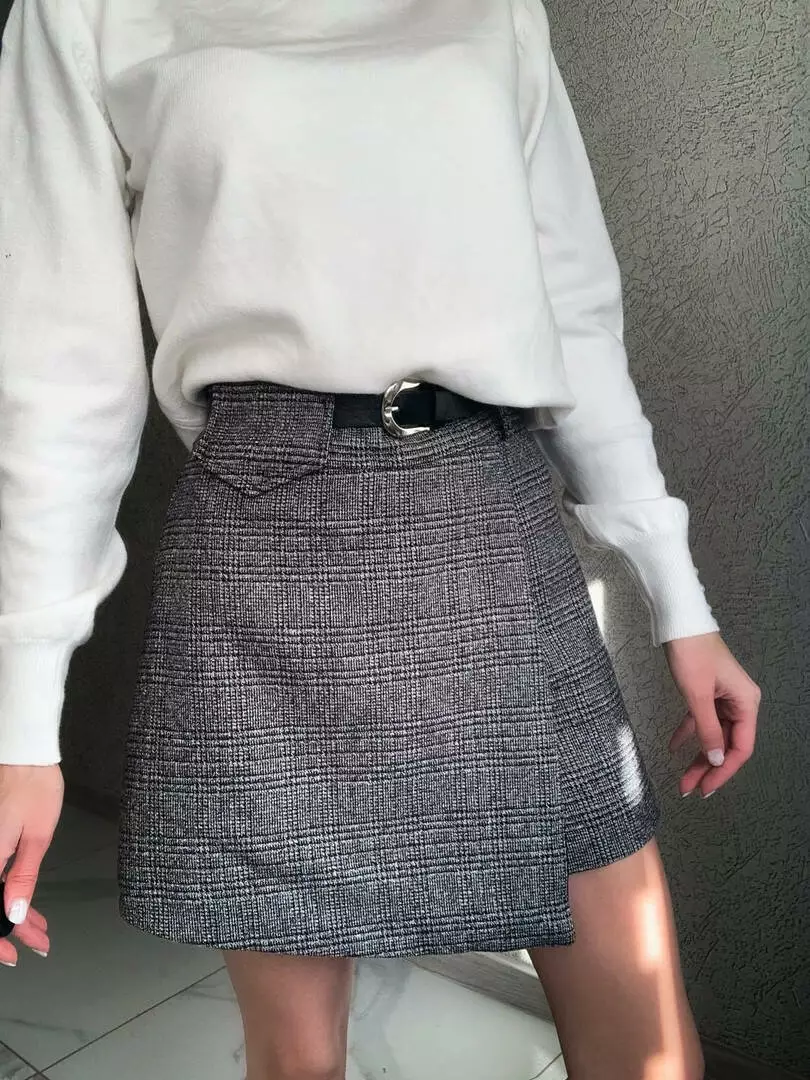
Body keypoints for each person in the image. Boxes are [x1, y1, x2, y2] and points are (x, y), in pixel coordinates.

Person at [0, 1, 761, 1078]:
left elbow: (576, 315)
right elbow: (59, 372)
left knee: (647, 1046)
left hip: (490, 517)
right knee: (297, 1061)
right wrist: (21, 725)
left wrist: (680, 601)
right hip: (263, 546)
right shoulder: (81, 11)